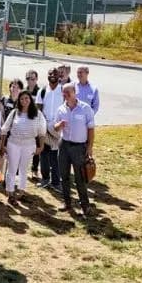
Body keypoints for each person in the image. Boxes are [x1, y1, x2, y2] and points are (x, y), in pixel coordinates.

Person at [55, 83, 96, 217]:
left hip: (79, 147)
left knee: (80, 178)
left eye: (68, 92)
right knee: (64, 176)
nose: (66, 95)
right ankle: (67, 203)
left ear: (75, 92)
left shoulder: (85, 109)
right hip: (64, 145)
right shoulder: (61, 109)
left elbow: (91, 129)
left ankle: (85, 206)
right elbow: (55, 127)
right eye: (64, 93)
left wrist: (89, 147)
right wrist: (59, 125)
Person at [1, 91, 46, 206]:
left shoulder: (38, 114)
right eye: (21, 99)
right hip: (14, 144)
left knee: (23, 169)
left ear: (30, 100)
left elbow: (41, 132)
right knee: (12, 168)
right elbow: (4, 129)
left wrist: (41, 146)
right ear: (19, 101)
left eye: (26, 98)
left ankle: (21, 192)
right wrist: (2, 145)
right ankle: (10, 193)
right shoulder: (14, 113)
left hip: (29, 145)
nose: (24, 101)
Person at [36, 67, 64, 190]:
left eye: (55, 73)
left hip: (58, 128)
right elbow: (38, 109)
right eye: (50, 73)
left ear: (60, 76)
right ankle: (45, 179)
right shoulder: (42, 91)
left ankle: (56, 182)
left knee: (56, 156)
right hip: (44, 126)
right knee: (44, 153)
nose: (52, 75)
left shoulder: (63, 90)